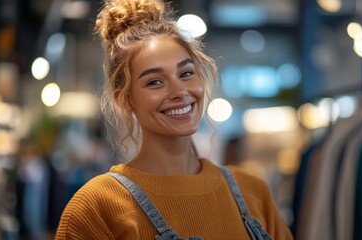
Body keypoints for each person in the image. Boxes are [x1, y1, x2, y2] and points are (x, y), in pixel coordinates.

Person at [55, 0, 293, 239]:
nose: (179, 91)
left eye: (186, 73)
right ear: (125, 99)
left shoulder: (253, 191)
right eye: (155, 82)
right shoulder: (96, 208)